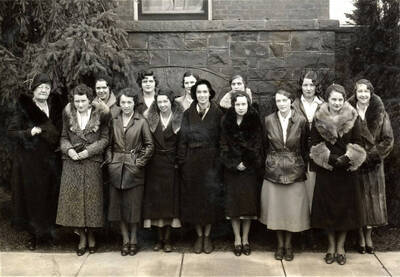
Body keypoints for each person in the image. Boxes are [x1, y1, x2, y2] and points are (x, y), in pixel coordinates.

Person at [310, 84, 366, 265]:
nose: (337, 103)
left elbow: (358, 143)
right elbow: (314, 144)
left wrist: (348, 158)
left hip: (346, 172)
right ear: (327, 99)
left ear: (344, 100)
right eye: (333, 99)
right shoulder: (319, 118)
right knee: (328, 210)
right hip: (327, 171)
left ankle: (341, 247)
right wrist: (330, 159)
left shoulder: (353, 117)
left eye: (340, 99)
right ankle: (330, 246)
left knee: (345, 211)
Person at [8, 73, 62, 250]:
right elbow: (12, 132)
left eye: (47, 88)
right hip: (29, 162)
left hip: (50, 160)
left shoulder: (54, 107)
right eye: (41, 87)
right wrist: (29, 132)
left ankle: (47, 233)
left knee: (48, 196)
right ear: (34, 89)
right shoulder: (24, 107)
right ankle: (33, 236)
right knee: (32, 198)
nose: (44, 90)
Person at [56, 84, 109, 256]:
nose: (79, 105)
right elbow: (63, 137)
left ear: (90, 100)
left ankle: (92, 235)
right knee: (76, 201)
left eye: (83, 101)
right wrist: (69, 150)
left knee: (92, 201)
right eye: (77, 101)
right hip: (72, 162)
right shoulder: (68, 115)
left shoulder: (100, 115)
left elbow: (104, 139)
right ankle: (82, 238)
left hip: (92, 161)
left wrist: (88, 151)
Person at [259, 88, 310, 262]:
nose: (281, 104)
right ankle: (279, 245)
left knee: (292, 211)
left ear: (291, 101)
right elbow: (265, 145)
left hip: (295, 170)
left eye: (284, 100)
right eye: (278, 101)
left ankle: (289, 245)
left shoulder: (301, 121)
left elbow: (304, 147)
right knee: (277, 210)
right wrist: (270, 162)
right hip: (273, 170)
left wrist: (299, 164)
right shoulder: (268, 120)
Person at [105, 88, 154, 256]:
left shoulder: (141, 121)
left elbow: (149, 145)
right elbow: (108, 144)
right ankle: (125, 240)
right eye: (123, 102)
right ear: (119, 103)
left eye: (129, 102)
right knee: (118, 209)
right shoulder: (114, 120)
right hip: (116, 170)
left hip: (134, 171)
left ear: (134, 103)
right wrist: (111, 161)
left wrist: (138, 163)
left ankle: (134, 240)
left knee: (133, 208)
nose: (126, 106)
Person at [177, 79, 223, 254]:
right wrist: (182, 161)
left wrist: (218, 162)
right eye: (199, 92)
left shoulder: (217, 113)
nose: (202, 95)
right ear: (194, 95)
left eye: (205, 92)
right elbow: (182, 139)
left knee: (209, 200)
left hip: (211, 163)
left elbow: (221, 140)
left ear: (210, 93)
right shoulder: (188, 113)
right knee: (195, 200)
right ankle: (199, 236)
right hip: (192, 162)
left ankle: (208, 236)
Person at [348, 79, 393, 255]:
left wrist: (373, 155)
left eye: (366, 91)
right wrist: (356, 156)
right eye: (360, 91)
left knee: (372, 201)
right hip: (355, 163)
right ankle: (359, 236)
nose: (363, 94)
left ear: (371, 93)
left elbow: (388, 139)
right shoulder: (348, 111)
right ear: (355, 93)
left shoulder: (380, 112)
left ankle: (369, 236)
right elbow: (343, 137)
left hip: (373, 165)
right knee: (358, 200)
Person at [220, 91, 263, 256]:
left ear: (248, 104)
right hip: (232, 170)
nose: (240, 107)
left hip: (249, 169)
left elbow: (257, 144)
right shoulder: (226, 121)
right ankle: (237, 238)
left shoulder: (254, 120)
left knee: (247, 206)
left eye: (243, 104)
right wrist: (233, 163)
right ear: (233, 105)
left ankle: (246, 238)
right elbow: (223, 144)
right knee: (234, 206)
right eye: (237, 104)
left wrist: (246, 162)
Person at [143, 88, 184, 252]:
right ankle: (158, 239)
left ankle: (168, 239)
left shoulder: (179, 118)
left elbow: (182, 142)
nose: (162, 105)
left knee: (170, 204)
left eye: (165, 101)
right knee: (157, 205)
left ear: (171, 102)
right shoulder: (150, 118)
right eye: (159, 102)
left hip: (172, 165)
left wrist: (178, 162)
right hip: (155, 165)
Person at [292, 70, 324, 210]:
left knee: (318, 189)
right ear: (301, 86)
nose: (309, 88)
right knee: (301, 191)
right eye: (305, 85)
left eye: (312, 85)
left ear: (317, 86)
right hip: (300, 152)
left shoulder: (324, 104)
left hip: (319, 153)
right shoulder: (294, 105)